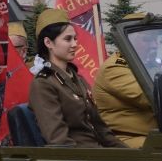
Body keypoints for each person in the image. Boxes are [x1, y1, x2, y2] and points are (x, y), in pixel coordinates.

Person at [29, 8, 121, 148]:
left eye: (75, 38)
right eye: (67, 39)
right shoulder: (44, 84)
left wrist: (129, 154)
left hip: (100, 153)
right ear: (48, 43)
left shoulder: (77, 79)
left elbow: (102, 130)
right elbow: (59, 141)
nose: (75, 44)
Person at [93, 47, 157, 149]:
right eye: (147, 39)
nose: (154, 45)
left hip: (150, 134)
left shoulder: (138, 65)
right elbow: (149, 97)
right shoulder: (114, 68)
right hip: (127, 138)